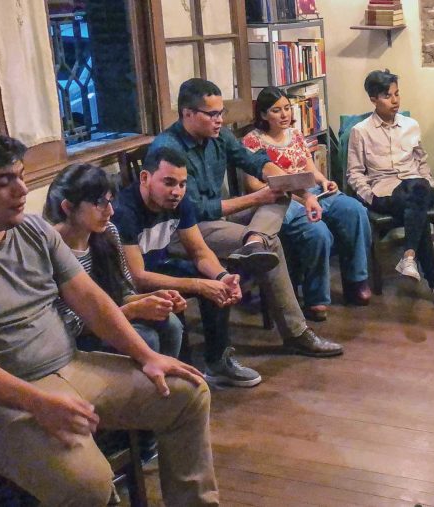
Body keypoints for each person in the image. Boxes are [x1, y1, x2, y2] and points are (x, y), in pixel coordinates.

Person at [0, 128, 217, 506]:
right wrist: (37, 402)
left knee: (188, 395)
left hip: (71, 365)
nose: (21, 189)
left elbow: (90, 298)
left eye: (19, 174)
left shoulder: (34, 230)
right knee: (89, 484)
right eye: (4, 181)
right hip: (1, 396)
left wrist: (148, 357)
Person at [148, 78, 343, 356]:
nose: (219, 120)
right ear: (187, 114)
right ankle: (297, 333)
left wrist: (306, 194)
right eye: (211, 114)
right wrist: (255, 199)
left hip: (218, 221)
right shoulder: (168, 150)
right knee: (270, 243)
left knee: (280, 195)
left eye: (221, 113)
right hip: (183, 232)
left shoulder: (220, 136)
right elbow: (195, 210)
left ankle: (254, 240)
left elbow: (256, 162)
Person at [113, 147, 264, 387]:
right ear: (145, 178)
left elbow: (199, 251)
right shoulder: (124, 212)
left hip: (160, 268)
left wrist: (222, 277)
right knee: (197, 288)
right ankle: (181, 372)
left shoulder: (179, 203)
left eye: (182, 184)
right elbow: (137, 277)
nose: (177, 191)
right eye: (169, 182)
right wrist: (199, 285)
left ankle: (218, 363)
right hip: (127, 289)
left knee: (216, 285)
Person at [242, 86, 373, 317]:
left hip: (310, 190)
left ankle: (357, 280)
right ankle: (316, 298)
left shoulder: (295, 134)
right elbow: (252, 185)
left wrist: (324, 181)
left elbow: (309, 168)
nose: (284, 115)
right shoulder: (253, 141)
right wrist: (290, 191)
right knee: (318, 232)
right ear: (263, 115)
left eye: (286, 109)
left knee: (355, 210)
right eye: (276, 110)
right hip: (281, 197)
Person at [44, 163, 184, 358]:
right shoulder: (49, 250)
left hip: (111, 315)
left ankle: (169, 384)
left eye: (110, 201)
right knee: (146, 337)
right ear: (68, 207)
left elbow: (123, 291)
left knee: (171, 323)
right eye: (99, 203)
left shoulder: (107, 232)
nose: (110, 211)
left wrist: (154, 298)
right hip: (76, 335)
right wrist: (132, 311)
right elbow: (71, 324)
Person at [346, 69, 434, 309]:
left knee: (417, 189)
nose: (395, 100)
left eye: (397, 94)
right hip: (386, 192)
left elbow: (421, 161)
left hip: (417, 186)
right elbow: (354, 173)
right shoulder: (361, 131)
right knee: (415, 206)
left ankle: (409, 256)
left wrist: (428, 181)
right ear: (373, 99)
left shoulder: (411, 125)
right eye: (388, 96)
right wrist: (370, 198)